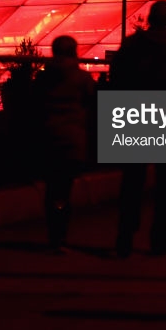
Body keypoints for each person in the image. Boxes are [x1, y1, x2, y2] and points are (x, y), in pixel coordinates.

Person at [109, 0, 166, 257]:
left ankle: (124, 236)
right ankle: (160, 238)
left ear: (149, 19)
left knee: (132, 180)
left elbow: (117, 77)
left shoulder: (132, 44)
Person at [32, 35, 97, 252]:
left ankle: (54, 234)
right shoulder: (82, 78)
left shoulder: (43, 78)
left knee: (52, 187)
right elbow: (92, 104)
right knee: (64, 189)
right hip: (72, 139)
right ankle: (60, 235)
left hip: (48, 137)